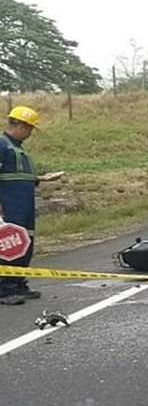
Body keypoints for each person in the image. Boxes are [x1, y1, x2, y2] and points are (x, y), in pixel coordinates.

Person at [0, 106, 64, 305]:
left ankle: (19, 283)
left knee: (25, 245)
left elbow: (16, 177)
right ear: (20, 125)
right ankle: (5, 289)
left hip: (23, 207)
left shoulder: (17, 147)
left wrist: (40, 179)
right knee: (10, 245)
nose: (30, 133)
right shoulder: (3, 145)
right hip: (10, 207)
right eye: (29, 129)